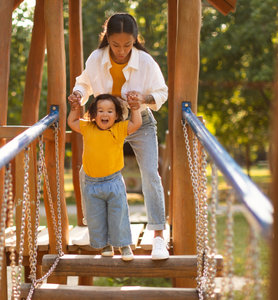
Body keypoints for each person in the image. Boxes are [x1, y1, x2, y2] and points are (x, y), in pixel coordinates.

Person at [68, 13, 169, 260]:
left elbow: (161, 93)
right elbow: (84, 84)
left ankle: (158, 236)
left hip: (139, 121)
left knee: (150, 173)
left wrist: (142, 99)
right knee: (86, 171)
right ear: (107, 40)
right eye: (115, 45)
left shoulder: (145, 62)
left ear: (135, 40)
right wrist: (77, 96)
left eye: (127, 45)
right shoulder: (96, 58)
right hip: (105, 123)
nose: (122, 51)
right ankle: (91, 219)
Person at [68, 94, 142, 261]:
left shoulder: (119, 128)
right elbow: (72, 123)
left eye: (110, 111)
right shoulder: (88, 128)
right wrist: (74, 109)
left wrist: (135, 109)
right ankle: (105, 245)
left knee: (118, 214)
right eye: (100, 110)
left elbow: (136, 123)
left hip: (113, 181)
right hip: (91, 184)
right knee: (96, 217)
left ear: (116, 116)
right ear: (94, 114)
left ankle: (124, 246)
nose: (105, 114)